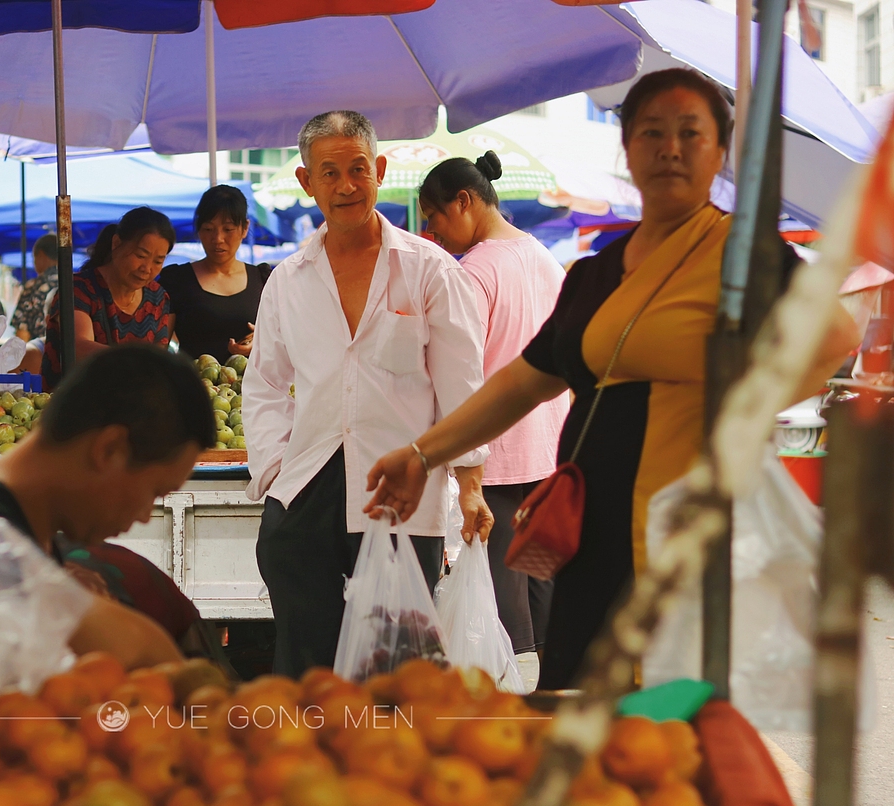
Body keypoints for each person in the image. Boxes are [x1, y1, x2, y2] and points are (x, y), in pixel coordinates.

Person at [365, 68, 861, 689]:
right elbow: (522, 383)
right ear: (627, 148)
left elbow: (834, 336)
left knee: (667, 714)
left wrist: (737, 409)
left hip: (686, 526)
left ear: (719, 152)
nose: (670, 148)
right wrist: (422, 454)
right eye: (652, 131)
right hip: (592, 530)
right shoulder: (594, 274)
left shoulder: (741, 254)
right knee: (581, 703)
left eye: (690, 132)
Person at [243, 110, 492, 678]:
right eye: (329, 173)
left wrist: (471, 486)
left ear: (379, 171)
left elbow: (462, 386)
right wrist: (276, 473)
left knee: (396, 671)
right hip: (306, 488)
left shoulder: (429, 271)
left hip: (402, 494)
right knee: (306, 668)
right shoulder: (288, 280)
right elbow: (263, 385)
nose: (346, 186)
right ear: (307, 182)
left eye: (358, 169)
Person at [0, 345, 217, 670]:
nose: (144, 516)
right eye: (155, 491)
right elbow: (134, 644)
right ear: (109, 450)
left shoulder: (18, 525)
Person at [418, 153, 570, 659]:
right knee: (542, 587)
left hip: (496, 456)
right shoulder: (546, 259)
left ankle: (514, 692)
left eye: (434, 216)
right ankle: (549, 687)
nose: (433, 232)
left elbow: (459, 373)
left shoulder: (473, 273)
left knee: (504, 602)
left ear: (464, 201)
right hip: (548, 449)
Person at [41, 207, 176, 389]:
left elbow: (158, 361)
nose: (147, 268)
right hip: (72, 400)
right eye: (140, 256)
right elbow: (78, 347)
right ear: (116, 243)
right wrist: (139, 361)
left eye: (158, 261)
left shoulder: (158, 298)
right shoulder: (78, 289)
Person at [159, 185, 271, 361]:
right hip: (194, 378)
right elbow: (159, 347)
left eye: (228, 229)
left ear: (245, 228)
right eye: (208, 229)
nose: (218, 239)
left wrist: (261, 341)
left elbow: (285, 337)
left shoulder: (263, 280)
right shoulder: (176, 280)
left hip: (252, 379)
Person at [13, 234, 59, 343]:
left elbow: (22, 333)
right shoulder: (75, 283)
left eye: (34, 257)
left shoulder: (33, 287)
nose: (34, 263)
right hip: (76, 352)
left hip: (41, 351)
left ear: (41, 255)